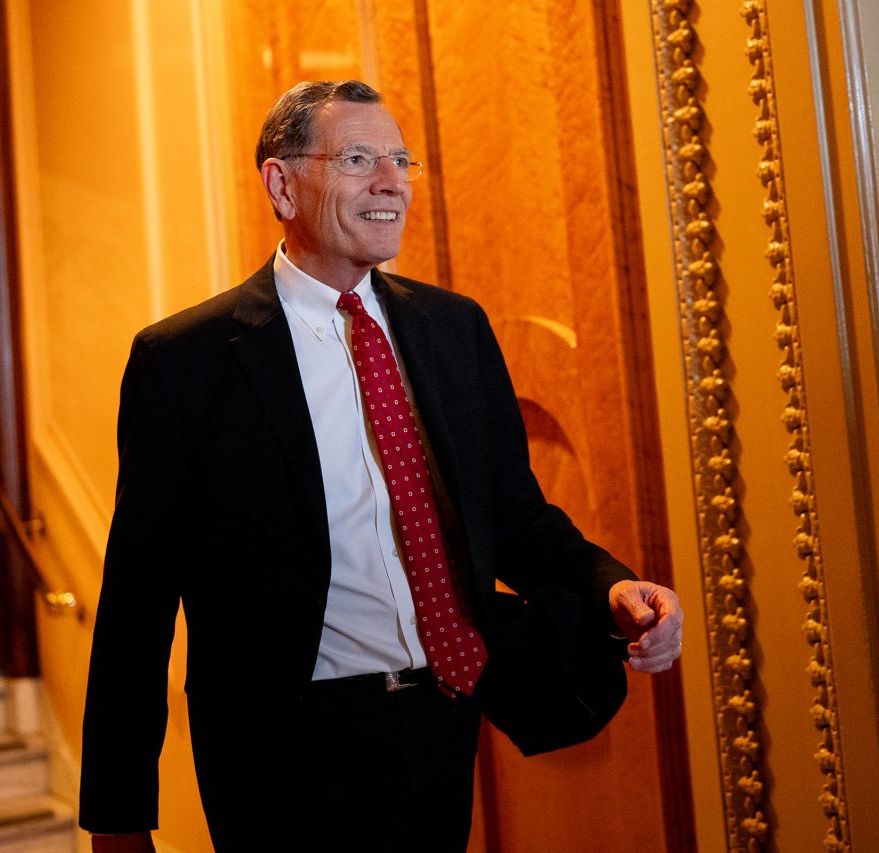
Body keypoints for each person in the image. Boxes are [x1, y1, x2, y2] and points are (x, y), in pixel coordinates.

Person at [79, 79, 683, 852]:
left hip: (440, 723)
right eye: (359, 157)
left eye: (400, 159)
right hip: (284, 755)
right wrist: (119, 820)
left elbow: (517, 517)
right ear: (281, 182)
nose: (391, 180)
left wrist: (609, 585)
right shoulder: (184, 363)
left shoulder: (453, 327)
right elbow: (137, 604)